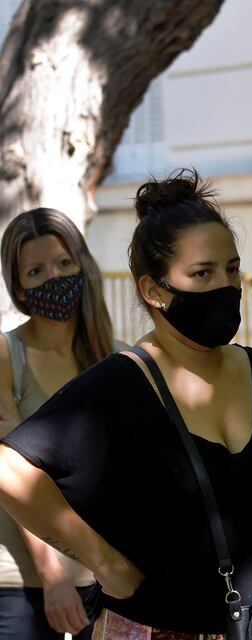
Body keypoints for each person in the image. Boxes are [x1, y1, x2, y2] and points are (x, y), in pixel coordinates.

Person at [0, 170, 252, 639]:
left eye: (231, 269)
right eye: (201, 273)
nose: (224, 286)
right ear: (153, 291)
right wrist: (106, 564)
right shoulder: (121, 383)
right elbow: (11, 469)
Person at [0, 208, 119, 639]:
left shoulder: (116, 359)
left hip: (104, 580)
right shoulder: (6, 357)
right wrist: (52, 575)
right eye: (36, 270)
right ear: (19, 287)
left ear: (82, 264)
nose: (54, 277)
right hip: (21, 581)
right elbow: (12, 478)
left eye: (64, 263)